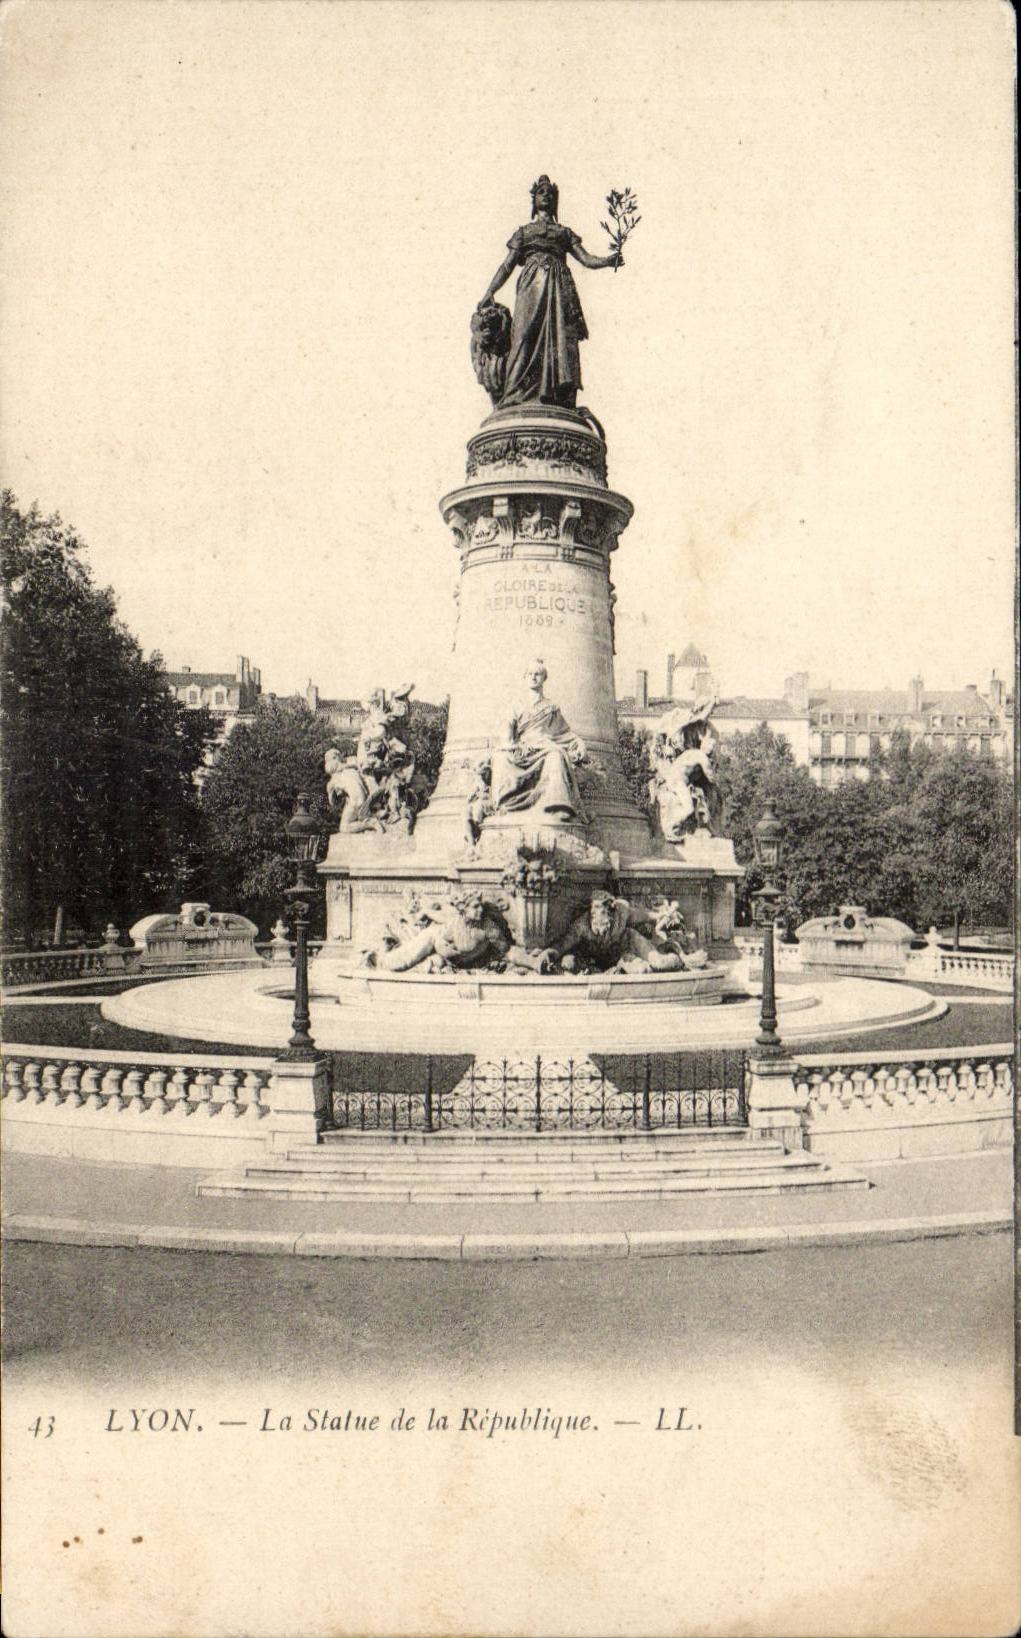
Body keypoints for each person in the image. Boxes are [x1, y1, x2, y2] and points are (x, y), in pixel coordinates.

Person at [477, 176, 622, 409]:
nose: (546, 195)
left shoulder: (563, 233)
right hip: (531, 288)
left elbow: (586, 259)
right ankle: (515, 392)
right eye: (541, 192)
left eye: (550, 193)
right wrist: (489, 292)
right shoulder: (524, 232)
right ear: (533, 200)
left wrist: (608, 260)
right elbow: (506, 266)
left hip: (558, 287)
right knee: (523, 336)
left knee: (561, 340)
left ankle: (558, 396)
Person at [490, 659, 589, 823]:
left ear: (544, 678)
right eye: (530, 674)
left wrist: (579, 742)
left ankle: (559, 805)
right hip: (523, 749)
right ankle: (505, 804)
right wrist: (510, 746)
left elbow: (564, 732)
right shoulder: (517, 705)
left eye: (538, 674)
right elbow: (508, 730)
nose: (533, 677)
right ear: (525, 677)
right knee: (501, 759)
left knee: (556, 755)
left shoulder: (551, 707)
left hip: (544, 746)